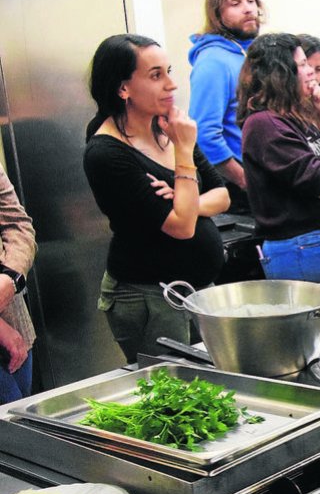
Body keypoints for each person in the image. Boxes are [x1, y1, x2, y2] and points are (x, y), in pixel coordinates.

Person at [83, 34, 230, 363]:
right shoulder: (106, 153)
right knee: (174, 388)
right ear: (123, 88)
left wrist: (184, 201)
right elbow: (182, 227)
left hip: (196, 289)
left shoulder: (167, 129)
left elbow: (222, 196)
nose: (171, 84)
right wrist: (184, 153)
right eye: (155, 75)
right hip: (150, 296)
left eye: (169, 71)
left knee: (214, 378)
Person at [238, 33, 320, 282]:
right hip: (304, 245)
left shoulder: (292, 115)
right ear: (280, 74)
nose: (311, 71)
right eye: (302, 65)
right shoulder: (264, 124)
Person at [188, 0, 264, 213]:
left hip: (265, 177)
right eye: (235, 3)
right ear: (217, 13)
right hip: (241, 190)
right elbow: (204, 134)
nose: (248, 9)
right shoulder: (213, 61)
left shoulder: (248, 53)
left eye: (251, 1)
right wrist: (244, 181)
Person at [0, 169, 36, 403]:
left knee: (22, 411)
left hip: (14, 321)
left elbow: (18, 224)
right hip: (6, 332)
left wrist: (11, 277)